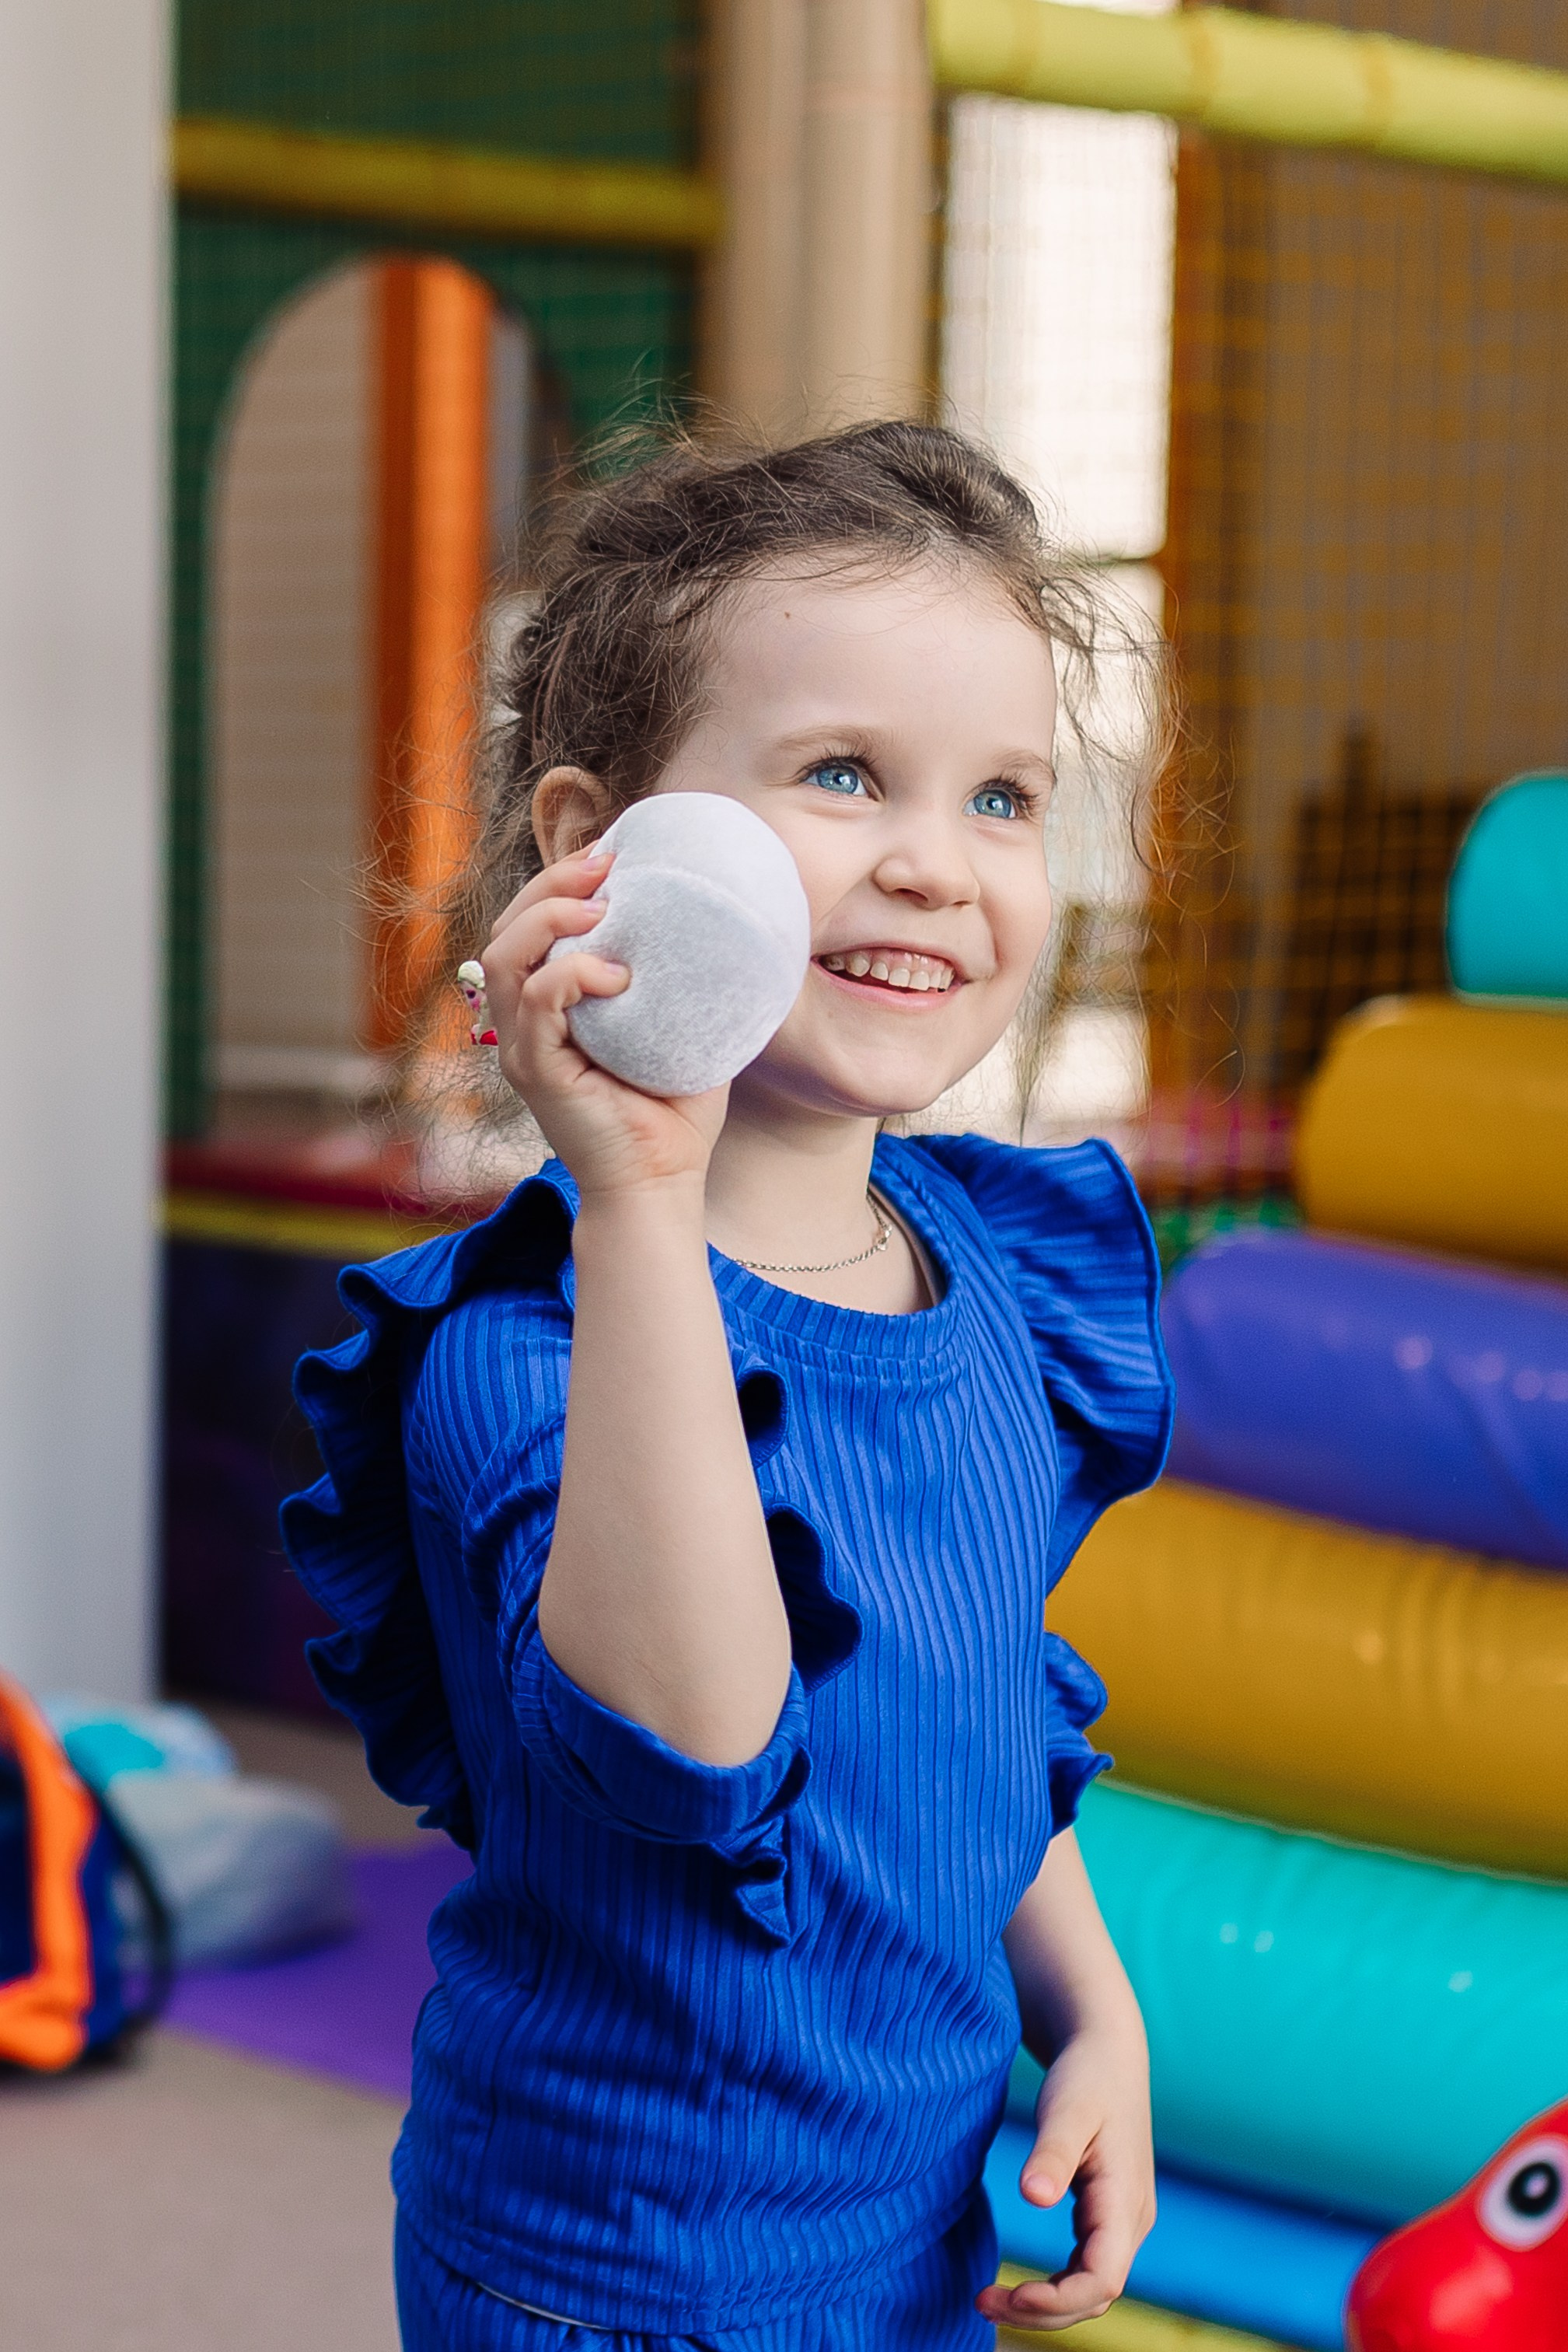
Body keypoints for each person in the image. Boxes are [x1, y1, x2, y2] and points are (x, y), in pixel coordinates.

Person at [283, 421, 1175, 2350]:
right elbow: (694, 1739)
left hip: (912, 2230)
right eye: (845, 774)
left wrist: (1084, 1999)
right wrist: (640, 1194)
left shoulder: (1000, 1268)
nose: (935, 862)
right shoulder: (529, 1341)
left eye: (1003, 797)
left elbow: (976, 1686)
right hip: (618, 2274)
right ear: (598, 845)